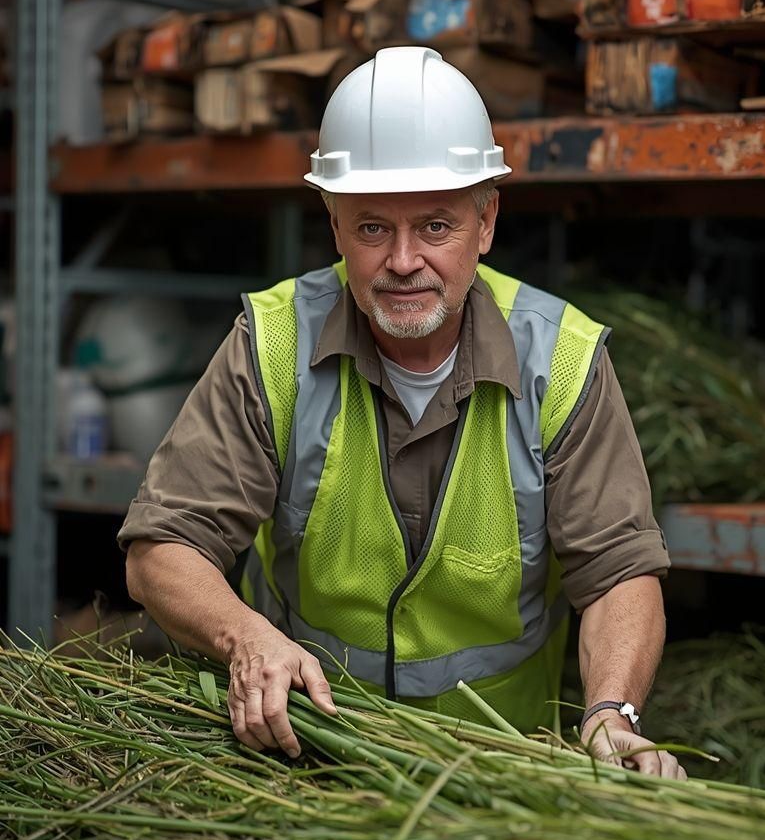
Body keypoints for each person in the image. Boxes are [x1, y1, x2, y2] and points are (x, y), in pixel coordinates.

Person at [120, 47, 685, 780]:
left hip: (505, 781)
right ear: (334, 226)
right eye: (373, 228)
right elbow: (161, 547)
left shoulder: (563, 360)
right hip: (302, 761)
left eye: (437, 227)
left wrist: (613, 713)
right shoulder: (274, 344)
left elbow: (619, 573)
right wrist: (245, 638)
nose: (404, 260)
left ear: (486, 222)